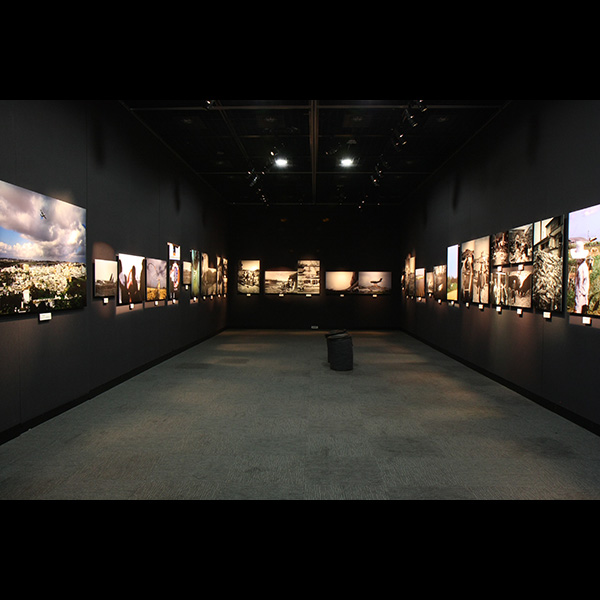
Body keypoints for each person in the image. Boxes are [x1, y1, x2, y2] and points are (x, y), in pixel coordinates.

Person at [571, 240, 590, 314]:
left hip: (581, 294)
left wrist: (581, 292)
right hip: (581, 293)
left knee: (579, 312)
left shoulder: (582, 267)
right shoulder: (583, 266)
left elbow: (583, 281)